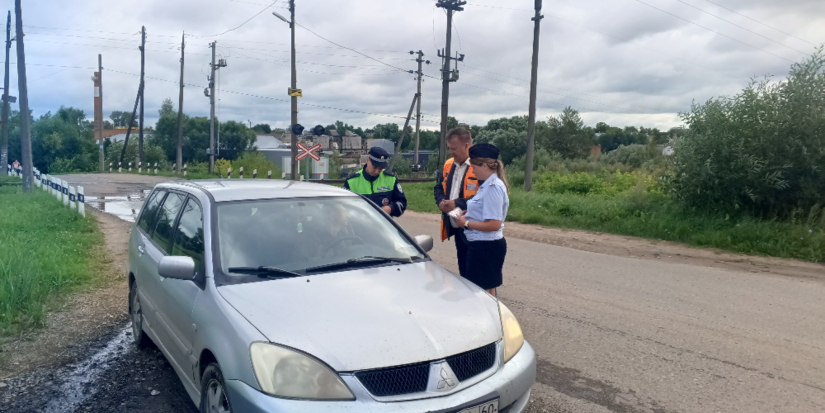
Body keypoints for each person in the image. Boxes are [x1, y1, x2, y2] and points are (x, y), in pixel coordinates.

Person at [455, 143, 510, 297]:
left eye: (474, 167)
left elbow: (494, 224)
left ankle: (487, 320)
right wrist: (470, 212)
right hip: (482, 245)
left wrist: (466, 223)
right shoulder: (486, 185)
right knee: (487, 291)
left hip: (486, 247)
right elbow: (485, 211)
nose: (472, 170)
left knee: (481, 293)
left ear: (484, 165)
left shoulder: (493, 187)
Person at [433, 128, 481, 278]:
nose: (451, 152)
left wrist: (457, 203)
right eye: (449, 149)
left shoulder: (480, 166)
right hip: (457, 227)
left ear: (467, 146)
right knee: (464, 270)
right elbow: (439, 187)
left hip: (475, 228)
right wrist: (441, 201)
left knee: (478, 274)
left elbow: (484, 198)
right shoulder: (449, 164)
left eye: (454, 149)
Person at [344, 147, 407, 217]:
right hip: (360, 225)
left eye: (380, 168)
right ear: (368, 160)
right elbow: (344, 208)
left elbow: (402, 203)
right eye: (375, 167)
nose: (377, 172)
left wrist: (391, 208)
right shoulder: (351, 181)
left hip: (383, 226)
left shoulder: (391, 179)